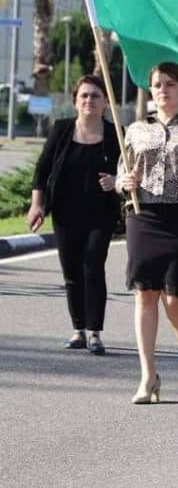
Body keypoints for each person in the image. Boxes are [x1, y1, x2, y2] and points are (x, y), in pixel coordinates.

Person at [116, 62, 178, 404]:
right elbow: (122, 171)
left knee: (174, 298)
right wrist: (122, 182)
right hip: (143, 215)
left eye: (170, 84)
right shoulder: (134, 129)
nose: (163, 90)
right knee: (145, 294)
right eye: (158, 84)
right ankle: (148, 376)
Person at [28, 75, 121, 355]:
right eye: (84, 96)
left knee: (92, 266)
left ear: (105, 102)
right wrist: (37, 205)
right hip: (66, 213)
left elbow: (129, 169)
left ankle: (95, 333)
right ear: (75, 101)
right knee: (71, 271)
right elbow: (42, 170)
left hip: (101, 214)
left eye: (95, 96)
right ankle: (78, 329)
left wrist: (115, 180)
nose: (89, 100)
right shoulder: (61, 129)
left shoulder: (115, 132)